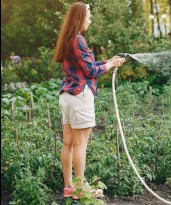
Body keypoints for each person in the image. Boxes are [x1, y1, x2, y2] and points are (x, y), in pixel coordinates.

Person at [53, 1, 125, 199]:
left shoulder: (68, 39)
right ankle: (80, 190)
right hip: (79, 96)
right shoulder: (78, 40)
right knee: (80, 144)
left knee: (68, 143)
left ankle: (69, 187)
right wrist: (110, 66)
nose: (90, 19)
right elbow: (91, 71)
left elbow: (87, 65)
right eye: (88, 16)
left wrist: (110, 61)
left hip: (67, 95)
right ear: (79, 18)